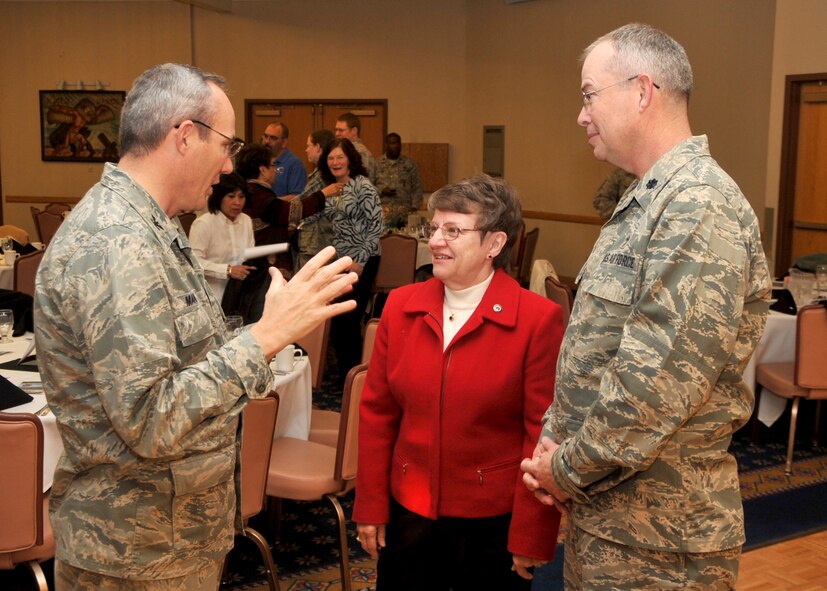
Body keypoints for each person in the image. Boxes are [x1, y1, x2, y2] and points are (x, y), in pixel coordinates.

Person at [33, 63, 358, 591]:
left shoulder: (150, 226)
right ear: (184, 136)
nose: (230, 164)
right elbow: (150, 418)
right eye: (227, 145)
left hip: (170, 539)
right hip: (134, 553)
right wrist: (264, 338)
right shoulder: (118, 242)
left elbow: (188, 359)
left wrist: (267, 328)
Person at [520, 23, 772, 590]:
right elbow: (601, 349)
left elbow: (655, 382)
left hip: (661, 539)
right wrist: (557, 444)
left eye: (589, 95)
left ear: (642, 91)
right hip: (613, 517)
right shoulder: (649, 199)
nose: (581, 115)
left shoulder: (696, 205)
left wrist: (564, 468)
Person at [354, 174, 564, 591]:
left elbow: (541, 436)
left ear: (495, 244)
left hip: (492, 526)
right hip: (408, 515)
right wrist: (371, 506)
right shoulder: (400, 306)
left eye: (453, 230)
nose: (435, 241)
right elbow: (378, 413)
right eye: (435, 228)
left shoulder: (537, 320)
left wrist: (531, 534)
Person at [317, 137, 382, 382]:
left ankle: (354, 377)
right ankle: (346, 373)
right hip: (339, 261)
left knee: (349, 318)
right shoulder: (331, 188)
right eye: (331, 158)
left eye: (340, 157)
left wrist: (361, 261)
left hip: (362, 261)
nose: (335, 162)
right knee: (337, 318)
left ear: (350, 159)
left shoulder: (362, 186)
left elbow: (376, 227)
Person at [229, 143, 293, 322]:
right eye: (273, 165)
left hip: (254, 270)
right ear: (263, 170)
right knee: (265, 317)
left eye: (240, 197)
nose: (237, 202)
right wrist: (323, 194)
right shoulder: (259, 195)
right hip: (251, 274)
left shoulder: (247, 212)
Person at [188, 172, 256, 302]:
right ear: (219, 197)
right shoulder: (204, 223)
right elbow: (194, 263)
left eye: (241, 197)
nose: (237, 202)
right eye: (231, 196)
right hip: (212, 294)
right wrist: (228, 270)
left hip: (240, 292)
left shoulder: (246, 220)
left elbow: (248, 254)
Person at [295, 128, 337, 269]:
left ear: (318, 147)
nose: (306, 150)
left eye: (308, 145)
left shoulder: (322, 176)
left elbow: (300, 203)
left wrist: (276, 206)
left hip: (316, 242)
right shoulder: (325, 173)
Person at [374, 132, 424, 228]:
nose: (395, 146)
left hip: (404, 213)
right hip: (383, 213)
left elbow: (417, 187)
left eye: (398, 143)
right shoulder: (377, 164)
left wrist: (414, 207)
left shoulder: (409, 164)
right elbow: (369, 187)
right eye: (392, 143)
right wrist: (381, 190)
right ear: (386, 145)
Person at [261, 121, 307, 197]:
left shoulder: (295, 164)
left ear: (284, 142)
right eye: (265, 136)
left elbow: (296, 197)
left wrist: (269, 203)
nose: (267, 141)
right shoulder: (258, 159)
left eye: (273, 138)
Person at [334, 112, 376, 182]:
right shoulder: (343, 149)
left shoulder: (359, 152)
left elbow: (360, 183)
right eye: (336, 130)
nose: (337, 133)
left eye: (341, 130)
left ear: (354, 131)